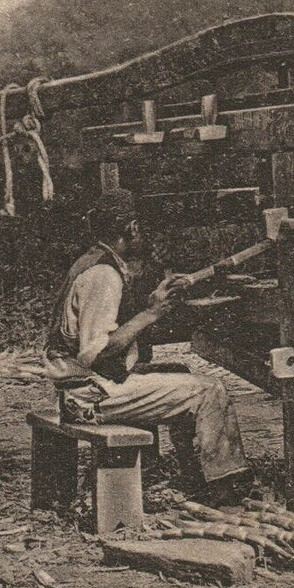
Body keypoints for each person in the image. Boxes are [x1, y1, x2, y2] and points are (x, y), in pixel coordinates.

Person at [44, 188, 250, 498]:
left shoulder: (93, 260)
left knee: (180, 371)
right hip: (88, 395)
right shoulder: (103, 274)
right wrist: (150, 313)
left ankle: (196, 480)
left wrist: (150, 304)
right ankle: (227, 493)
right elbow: (96, 352)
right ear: (131, 228)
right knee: (211, 389)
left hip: (82, 389)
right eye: (139, 227)